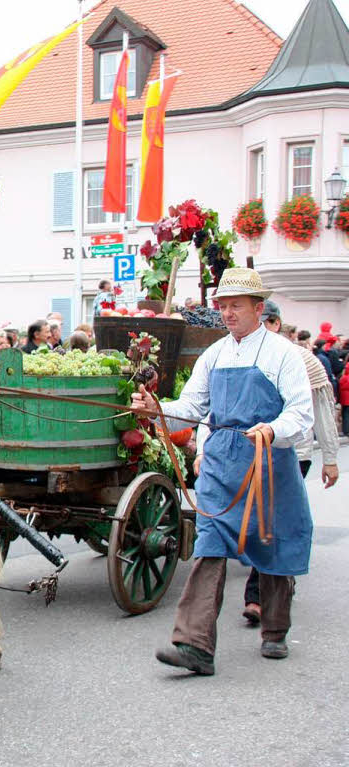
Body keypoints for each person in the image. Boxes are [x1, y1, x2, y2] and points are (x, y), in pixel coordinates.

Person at [132, 269, 313, 674]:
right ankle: (194, 645)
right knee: (210, 546)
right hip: (220, 463)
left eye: (235, 306)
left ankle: (275, 630)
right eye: (223, 307)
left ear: (258, 308)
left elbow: (301, 413)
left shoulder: (283, 354)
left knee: (273, 544)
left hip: (267, 460)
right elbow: (193, 407)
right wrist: (155, 409)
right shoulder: (214, 355)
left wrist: (272, 428)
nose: (227, 314)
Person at [235, 299, 339, 625]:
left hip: (295, 452)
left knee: (275, 522)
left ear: (275, 324)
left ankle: (260, 598)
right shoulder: (244, 357)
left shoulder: (304, 360)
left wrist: (332, 459)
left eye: (263, 324)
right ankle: (263, 593)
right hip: (253, 448)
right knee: (259, 518)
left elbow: (321, 411)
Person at [340, 365, 349, 436]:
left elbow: (340, 388)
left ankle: (346, 430)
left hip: (344, 401)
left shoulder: (343, 378)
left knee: (345, 415)